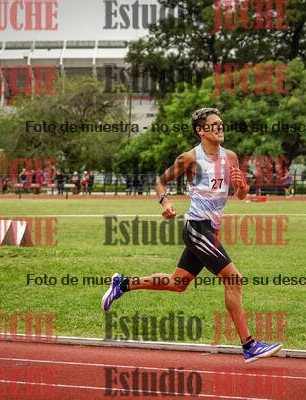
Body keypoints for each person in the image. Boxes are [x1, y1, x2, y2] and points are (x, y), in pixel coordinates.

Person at [101, 107, 283, 363]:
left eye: (221, 124)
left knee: (178, 283)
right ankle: (249, 345)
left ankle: (122, 284)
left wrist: (242, 185)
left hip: (211, 231)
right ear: (200, 130)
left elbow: (240, 195)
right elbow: (160, 181)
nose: (220, 127)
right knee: (233, 279)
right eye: (214, 124)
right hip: (198, 228)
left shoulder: (230, 157)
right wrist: (165, 202)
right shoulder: (190, 158)